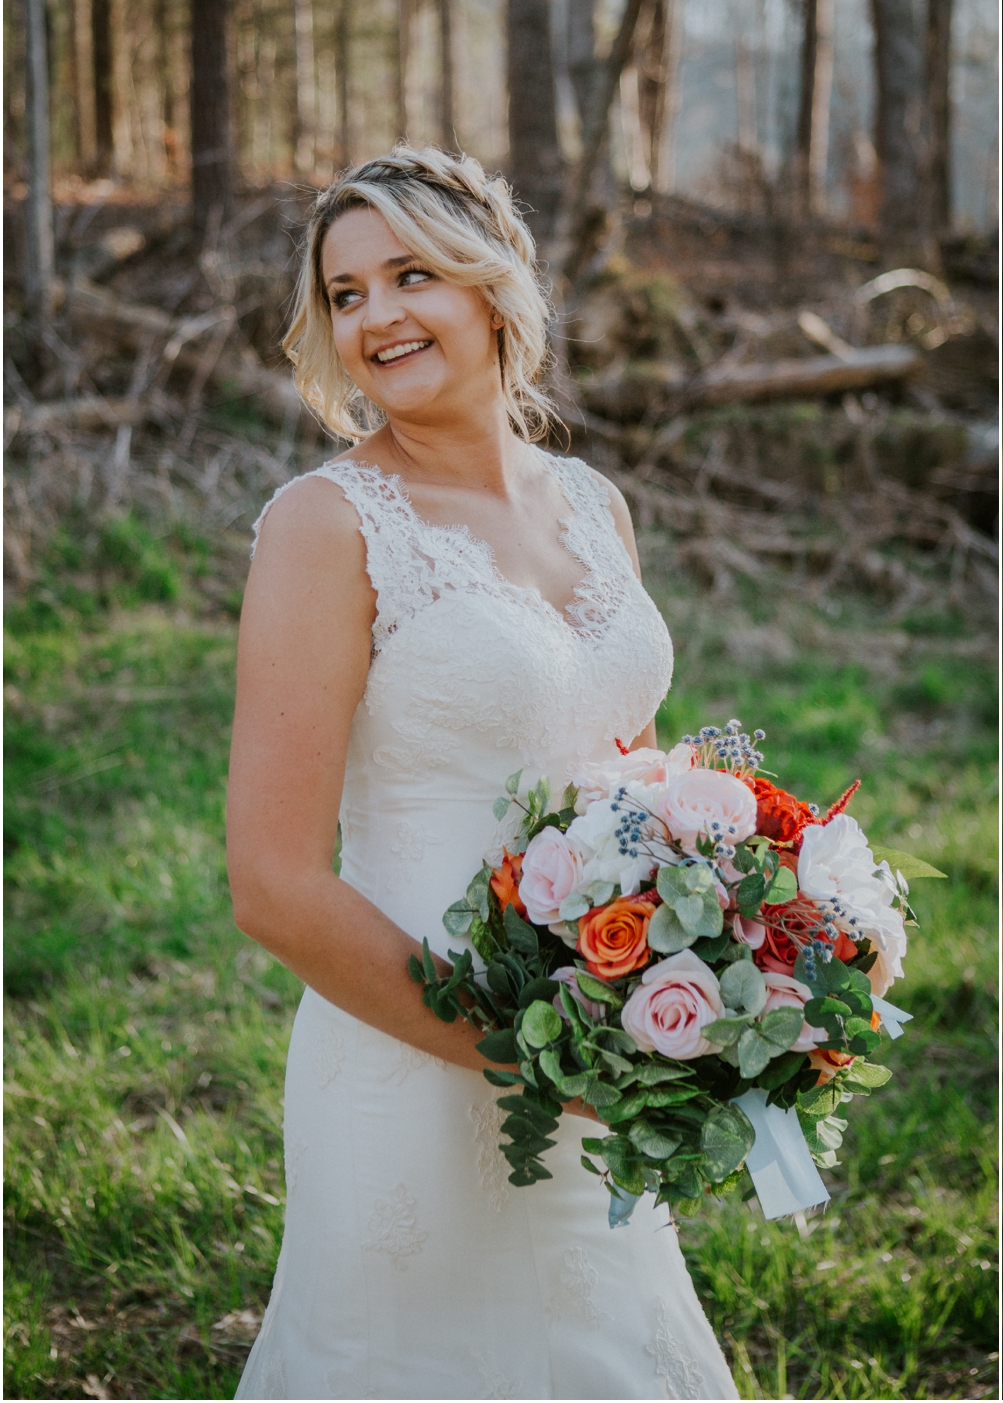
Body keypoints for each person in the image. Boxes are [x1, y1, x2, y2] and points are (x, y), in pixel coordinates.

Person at [227, 147, 735, 1400]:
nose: (377, 316)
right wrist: (528, 1058)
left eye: (410, 274)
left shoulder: (592, 503)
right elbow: (273, 883)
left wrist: (731, 929)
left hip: (598, 1036)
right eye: (345, 294)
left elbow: (617, 776)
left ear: (492, 285)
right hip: (414, 1055)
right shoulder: (325, 524)